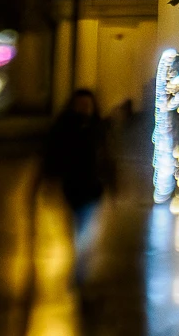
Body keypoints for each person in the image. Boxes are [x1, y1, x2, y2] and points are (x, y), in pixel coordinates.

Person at [42, 89, 113, 256]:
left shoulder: (97, 128)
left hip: (93, 184)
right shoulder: (64, 128)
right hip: (73, 183)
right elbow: (52, 154)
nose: (84, 108)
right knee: (79, 221)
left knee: (85, 221)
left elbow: (106, 156)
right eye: (81, 105)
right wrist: (50, 179)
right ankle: (79, 254)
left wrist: (111, 181)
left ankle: (80, 254)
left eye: (87, 105)